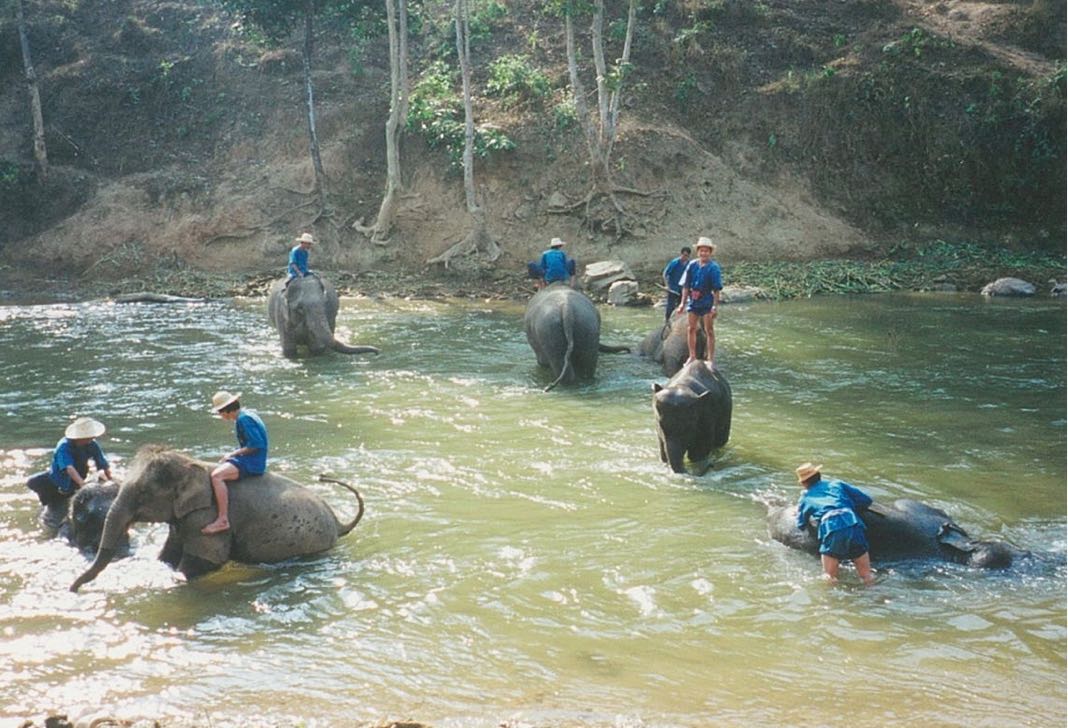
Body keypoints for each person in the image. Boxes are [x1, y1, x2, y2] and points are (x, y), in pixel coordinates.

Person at [794, 462, 875, 585]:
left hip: (832, 526)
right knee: (867, 575)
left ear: (804, 483)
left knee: (829, 577)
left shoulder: (806, 498)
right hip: (853, 522)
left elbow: (800, 524)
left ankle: (831, 600)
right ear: (819, 475)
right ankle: (872, 593)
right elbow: (866, 500)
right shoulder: (837, 483)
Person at [26, 417, 114, 529]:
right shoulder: (64, 446)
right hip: (59, 484)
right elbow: (69, 468)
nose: (90, 439)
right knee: (55, 520)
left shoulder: (91, 444)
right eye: (87, 437)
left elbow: (102, 463)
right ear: (79, 437)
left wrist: (110, 479)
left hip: (77, 479)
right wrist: (83, 485)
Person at [201, 391, 269, 535]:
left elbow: (256, 444)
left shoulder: (243, 420)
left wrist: (233, 454)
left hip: (253, 462)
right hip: (251, 458)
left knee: (217, 476)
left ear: (226, 411)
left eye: (220, 412)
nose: (221, 416)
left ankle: (223, 519)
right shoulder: (247, 414)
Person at [676, 236, 723, 366]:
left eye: (706, 251)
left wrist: (714, 307)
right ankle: (692, 356)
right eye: (701, 251)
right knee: (691, 328)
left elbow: (716, 290)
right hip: (694, 300)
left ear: (710, 252)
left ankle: (710, 359)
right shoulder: (692, 265)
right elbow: (686, 286)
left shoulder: (714, 268)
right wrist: (682, 303)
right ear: (698, 252)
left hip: (707, 301)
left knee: (709, 330)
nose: (704, 253)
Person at [661, 246, 691, 324]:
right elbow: (665, 274)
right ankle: (667, 321)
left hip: (682, 288)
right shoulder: (675, 262)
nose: (685, 257)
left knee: (681, 305)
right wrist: (667, 286)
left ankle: (678, 321)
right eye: (684, 255)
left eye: (687, 256)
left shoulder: (689, 264)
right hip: (673, 288)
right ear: (681, 254)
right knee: (670, 306)